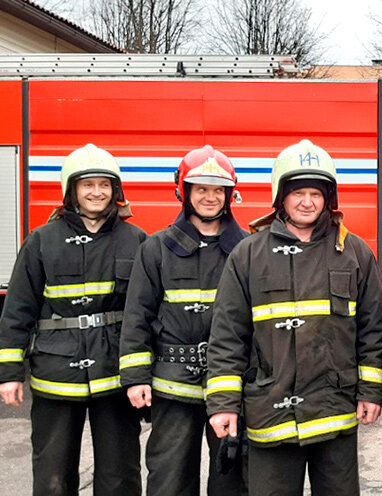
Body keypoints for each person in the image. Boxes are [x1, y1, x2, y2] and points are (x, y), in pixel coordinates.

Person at [205, 139, 382, 495]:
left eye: (316, 194)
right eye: (298, 192)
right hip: (269, 413)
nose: (307, 202)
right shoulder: (248, 254)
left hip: (335, 412)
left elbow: (373, 329)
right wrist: (224, 403)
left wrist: (371, 391)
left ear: (328, 198)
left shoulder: (353, 252)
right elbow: (228, 334)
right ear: (281, 197)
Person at [0, 143, 145, 496]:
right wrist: (8, 374)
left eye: (104, 185)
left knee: (120, 473)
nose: (96, 192)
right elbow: (18, 308)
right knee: (53, 474)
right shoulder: (41, 241)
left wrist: (144, 372)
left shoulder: (135, 240)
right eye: (87, 184)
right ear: (71, 190)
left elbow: (145, 312)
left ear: (115, 190)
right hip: (55, 376)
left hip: (115, 374)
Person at [119, 145, 249, 496]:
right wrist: (135, 377)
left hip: (230, 387)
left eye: (218, 189)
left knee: (232, 479)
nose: (210, 197)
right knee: (169, 479)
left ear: (230, 194)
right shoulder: (156, 248)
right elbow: (137, 317)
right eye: (201, 188)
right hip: (171, 385)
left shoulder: (248, 249)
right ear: (183, 191)